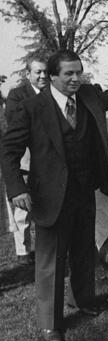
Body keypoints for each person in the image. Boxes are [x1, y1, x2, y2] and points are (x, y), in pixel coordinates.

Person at [0, 50, 108, 341]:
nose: (75, 78)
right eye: (68, 74)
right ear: (52, 77)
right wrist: (17, 189)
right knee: (51, 260)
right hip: (49, 196)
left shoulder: (90, 95)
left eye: (78, 72)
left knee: (84, 251)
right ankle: (50, 323)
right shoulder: (31, 108)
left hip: (85, 190)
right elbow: (8, 151)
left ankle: (83, 300)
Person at [3, 57, 49, 265]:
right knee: (22, 209)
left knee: (45, 208)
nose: (42, 76)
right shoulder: (17, 95)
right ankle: (23, 251)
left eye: (45, 72)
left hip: (47, 162)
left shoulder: (52, 94)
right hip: (25, 160)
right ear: (28, 74)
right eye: (38, 72)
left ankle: (44, 249)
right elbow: (16, 124)